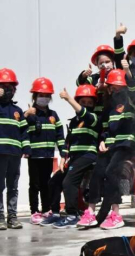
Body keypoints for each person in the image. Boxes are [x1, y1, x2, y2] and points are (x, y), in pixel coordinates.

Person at [77, 69, 135, 230]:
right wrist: (102, 141)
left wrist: (129, 72)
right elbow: (104, 129)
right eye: (112, 88)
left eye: (118, 88)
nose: (115, 91)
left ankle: (116, 214)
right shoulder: (108, 108)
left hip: (126, 145)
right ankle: (90, 212)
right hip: (110, 145)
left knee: (111, 172)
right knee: (97, 172)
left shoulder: (132, 104)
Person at [47, 85, 99, 228]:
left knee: (69, 182)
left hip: (88, 156)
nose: (87, 105)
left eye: (90, 103)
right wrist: (63, 158)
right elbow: (67, 142)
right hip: (74, 158)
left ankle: (72, 215)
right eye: (83, 102)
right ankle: (56, 213)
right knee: (55, 181)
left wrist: (69, 98)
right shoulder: (73, 122)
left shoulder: (93, 118)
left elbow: (85, 114)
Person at [24, 77, 66, 225]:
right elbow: (19, 129)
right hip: (34, 156)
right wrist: (26, 115)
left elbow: (60, 136)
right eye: (41, 95)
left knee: (46, 184)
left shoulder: (53, 115)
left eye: (47, 96)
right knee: (34, 184)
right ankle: (34, 211)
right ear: (34, 96)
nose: (44, 98)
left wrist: (63, 153)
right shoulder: (30, 114)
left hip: (48, 156)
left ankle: (46, 209)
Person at [0, 68, 31, 230]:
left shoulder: (17, 112)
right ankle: (0, 217)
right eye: (3, 86)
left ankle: (12, 216)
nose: (7, 90)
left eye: (10, 87)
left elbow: (24, 132)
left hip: (14, 154)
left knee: (13, 185)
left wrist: (26, 148)